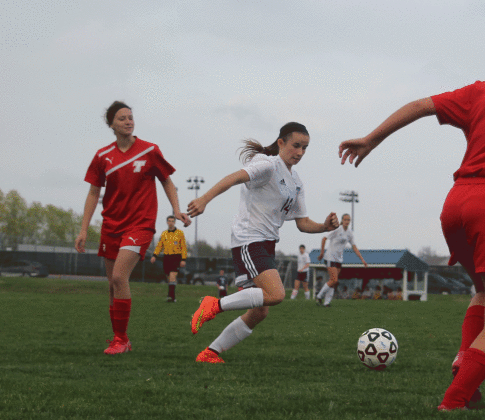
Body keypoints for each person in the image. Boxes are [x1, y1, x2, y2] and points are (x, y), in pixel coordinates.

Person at [339, 29, 485, 410]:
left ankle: (467, 376)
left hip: (457, 204)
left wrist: (371, 139)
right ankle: (454, 400)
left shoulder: (482, 91)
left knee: (483, 291)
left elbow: (421, 105)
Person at [185, 122, 339, 363]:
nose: (300, 152)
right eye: (296, 146)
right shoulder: (267, 165)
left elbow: (302, 222)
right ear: (281, 143)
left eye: (305, 148)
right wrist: (204, 199)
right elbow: (234, 177)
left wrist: (324, 227)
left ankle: (209, 353)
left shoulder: (296, 181)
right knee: (276, 294)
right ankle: (214, 304)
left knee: (259, 311)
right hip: (249, 239)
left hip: (266, 244)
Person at [76, 101, 190, 355]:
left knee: (119, 277)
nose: (128, 121)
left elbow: (167, 182)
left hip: (139, 225)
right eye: (121, 118)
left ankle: (121, 339)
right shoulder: (102, 156)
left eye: (130, 117)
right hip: (111, 225)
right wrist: (83, 229)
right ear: (111, 125)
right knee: (111, 285)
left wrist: (176, 209)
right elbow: (94, 192)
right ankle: (119, 338)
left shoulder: (149, 150)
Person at [315, 214, 367, 307]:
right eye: (345, 219)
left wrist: (362, 259)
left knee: (333, 281)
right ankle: (319, 296)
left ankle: (327, 302)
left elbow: (354, 246)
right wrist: (322, 253)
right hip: (330, 257)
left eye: (349, 220)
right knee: (334, 280)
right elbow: (324, 238)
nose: (347, 221)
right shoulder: (337, 229)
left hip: (339, 259)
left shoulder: (349, 233)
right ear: (342, 220)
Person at [150, 215, 188, 302]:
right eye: (169, 221)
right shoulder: (164, 234)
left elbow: (183, 247)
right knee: (169, 278)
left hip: (176, 257)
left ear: (174, 222)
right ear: (167, 222)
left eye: (172, 221)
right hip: (167, 257)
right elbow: (160, 245)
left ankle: (171, 297)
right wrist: (155, 255)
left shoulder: (180, 233)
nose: (171, 223)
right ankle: (172, 296)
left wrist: (183, 259)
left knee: (172, 276)